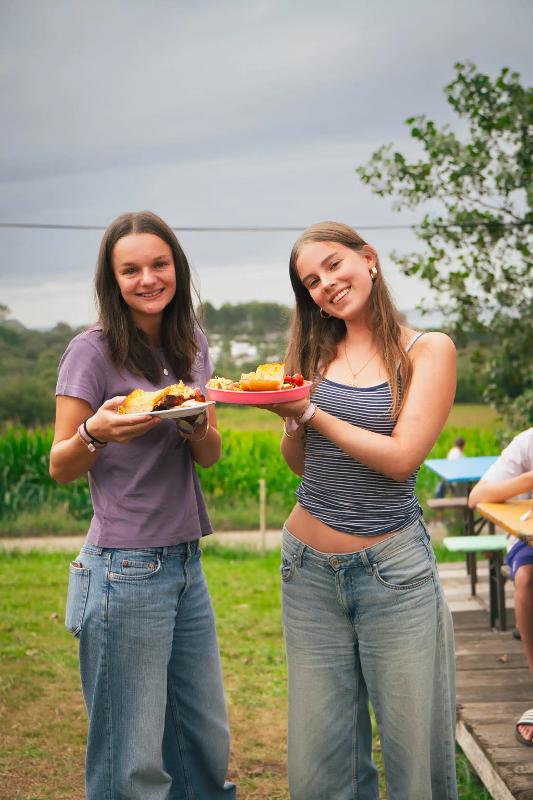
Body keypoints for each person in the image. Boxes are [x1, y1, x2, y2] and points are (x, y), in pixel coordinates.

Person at [264, 222, 458, 799]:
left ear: (367, 258)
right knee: (321, 768)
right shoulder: (313, 351)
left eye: (333, 265)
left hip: (391, 574)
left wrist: (313, 412)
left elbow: (401, 460)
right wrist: (289, 419)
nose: (326, 284)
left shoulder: (428, 350)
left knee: (412, 758)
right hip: (307, 573)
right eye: (311, 281)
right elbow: (304, 463)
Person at [49, 211, 235, 800]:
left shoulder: (192, 345)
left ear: (177, 267)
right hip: (124, 569)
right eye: (131, 270)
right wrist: (98, 433)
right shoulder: (92, 351)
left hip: (185, 564)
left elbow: (209, 454)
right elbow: (60, 464)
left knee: (202, 742)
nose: (148, 278)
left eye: (159, 264)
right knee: (131, 758)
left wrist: (194, 425)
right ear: (112, 279)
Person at [468, 428, 533, 747]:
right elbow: (476, 497)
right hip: (527, 537)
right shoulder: (527, 443)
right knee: (526, 578)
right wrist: (529, 480)